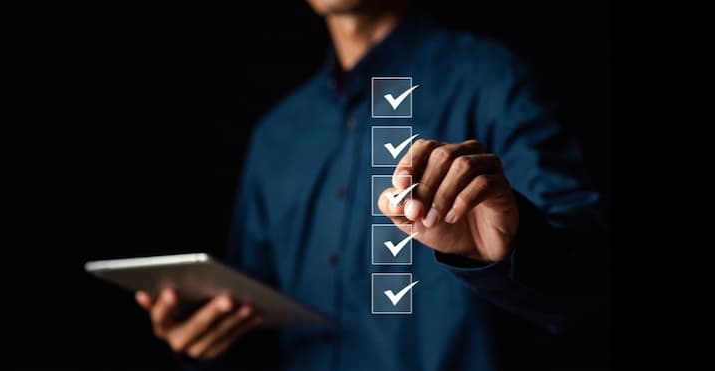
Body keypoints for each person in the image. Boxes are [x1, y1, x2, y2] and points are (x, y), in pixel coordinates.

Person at [135, 0, 608, 370]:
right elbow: (256, 327)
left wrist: (502, 253)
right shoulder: (276, 135)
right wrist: (202, 340)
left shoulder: (493, 80)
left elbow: (590, 284)